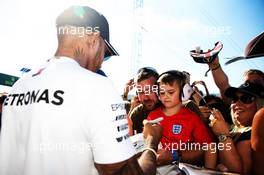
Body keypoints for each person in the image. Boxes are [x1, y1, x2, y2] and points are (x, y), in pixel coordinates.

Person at [0, 6, 163, 175]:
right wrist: (151, 143)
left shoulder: (19, 85)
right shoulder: (98, 86)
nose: (101, 62)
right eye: (105, 53)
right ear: (93, 39)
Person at [147, 70, 215, 168]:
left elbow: (209, 146)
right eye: (161, 92)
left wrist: (209, 171)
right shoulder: (153, 116)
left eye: (170, 92)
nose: (165, 96)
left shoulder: (191, 118)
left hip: (183, 168)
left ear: (184, 92)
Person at [209, 82, 264, 174]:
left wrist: (223, 135)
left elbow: (237, 172)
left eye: (246, 99)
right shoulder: (230, 127)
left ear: (260, 104)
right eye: (234, 99)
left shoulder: (252, 133)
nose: (237, 104)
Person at [129, 67, 160, 135]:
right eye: (141, 92)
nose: (146, 97)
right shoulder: (137, 113)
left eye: (149, 90)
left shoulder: (173, 108)